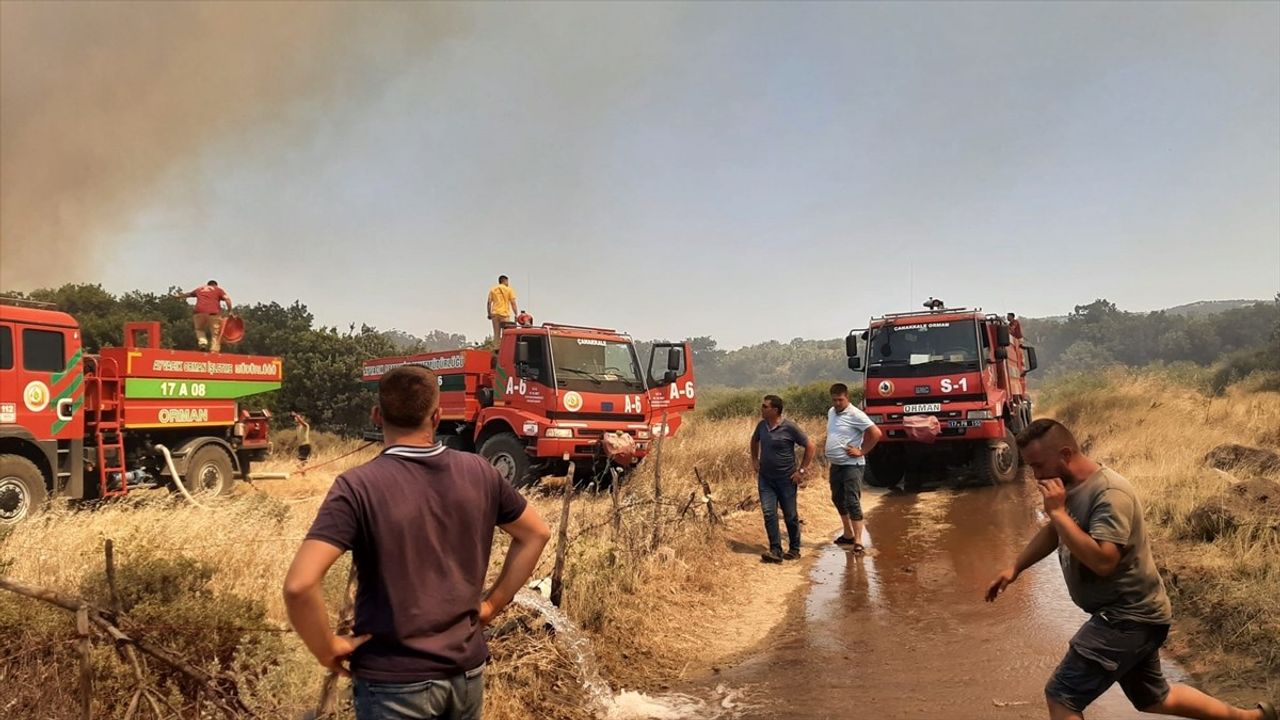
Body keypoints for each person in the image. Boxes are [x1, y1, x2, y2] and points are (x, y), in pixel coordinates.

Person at [284, 366, 551, 720]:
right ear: (438, 415)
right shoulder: (481, 472)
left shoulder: (357, 486)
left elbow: (300, 585)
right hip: (466, 674)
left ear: (377, 415)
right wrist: (491, 607)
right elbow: (537, 534)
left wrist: (327, 648)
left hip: (393, 681)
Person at [986, 419, 1275, 720]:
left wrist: (1057, 511)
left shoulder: (1110, 494)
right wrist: (1015, 568)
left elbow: (1103, 561)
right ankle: (1251, 718)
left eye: (1039, 465)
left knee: (1062, 696)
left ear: (1066, 454)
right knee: (1153, 698)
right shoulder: (1071, 486)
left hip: (1127, 617)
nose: (1036, 475)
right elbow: (1055, 530)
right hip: (1132, 614)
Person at [750, 394, 816, 564]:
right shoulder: (762, 426)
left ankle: (794, 549)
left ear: (775, 410)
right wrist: (755, 460)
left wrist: (801, 471)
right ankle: (775, 550)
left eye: (765, 406)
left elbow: (810, 446)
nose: (762, 409)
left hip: (786, 479)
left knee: (790, 515)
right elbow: (754, 441)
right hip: (766, 479)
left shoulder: (789, 427)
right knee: (769, 513)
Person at [825, 383, 882, 553]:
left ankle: (858, 541)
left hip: (852, 465)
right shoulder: (831, 412)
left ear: (847, 397)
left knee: (852, 501)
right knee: (837, 498)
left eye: (840, 400)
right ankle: (848, 533)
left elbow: (876, 433)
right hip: (836, 464)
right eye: (834, 400)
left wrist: (862, 450)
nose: (837, 403)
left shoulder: (856, 414)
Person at [175, 280, 232, 352]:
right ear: (215, 285)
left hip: (199, 312)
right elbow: (227, 299)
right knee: (215, 333)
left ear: (208, 285)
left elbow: (189, 294)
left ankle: (203, 343)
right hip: (213, 313)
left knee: (199, 329)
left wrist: (178, 296)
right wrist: (230, 311)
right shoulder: (218, 290)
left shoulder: (200, 289)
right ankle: (214, 350)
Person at [486, 275, 519, 343]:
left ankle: (496, 349)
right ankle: (505, 348)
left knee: (496, 334)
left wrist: (489, 313)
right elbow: (513, 303)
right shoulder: (509, 289)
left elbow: (489, 302)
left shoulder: (493, 289)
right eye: (507, 281)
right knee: (506, 333)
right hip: (504, 314)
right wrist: (516, 314)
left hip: (495, 314)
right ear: (505, 281)